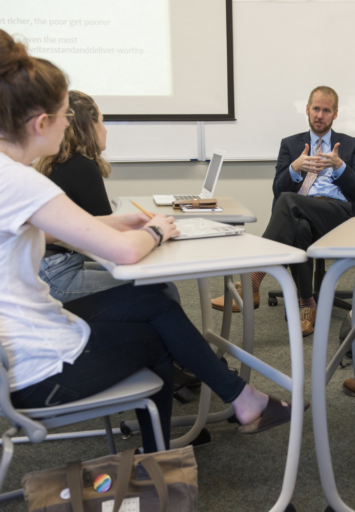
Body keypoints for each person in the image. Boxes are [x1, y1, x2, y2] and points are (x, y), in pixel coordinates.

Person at [0, 31, 298, 453]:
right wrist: (156, 230)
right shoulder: (20, 181)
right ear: (39, 123)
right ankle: (159, 458)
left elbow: (44, 229)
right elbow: (122, 252)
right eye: (65, 114)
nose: (70, 123)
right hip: (38, 372)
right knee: (159, 339)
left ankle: (242, 402)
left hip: (17, 351)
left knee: (154, 301)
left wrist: (116, 220)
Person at [212, 86, 355, 336]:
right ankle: (307, 304)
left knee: (289, 201)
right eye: (316, 108)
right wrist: (294, 168)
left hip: (338, 216)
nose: (320, 115)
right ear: (307, 109)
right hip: (301, 210)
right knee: (298, 225)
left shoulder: (350, 145)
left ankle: (253, 278)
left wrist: (339, 167)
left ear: (335, 114)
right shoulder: (290, 144)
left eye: (326, 110)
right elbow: (277, 188)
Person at [34, 90, 179, 303]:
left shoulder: (52, 163)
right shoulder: (82, 166)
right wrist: (154, 233)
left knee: (150, 279)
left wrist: (126, 225)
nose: (106, 129)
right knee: (162, 287)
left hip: (48, 262)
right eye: (101, 122)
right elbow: (108, 241)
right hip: (57, 271)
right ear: (88, 128)